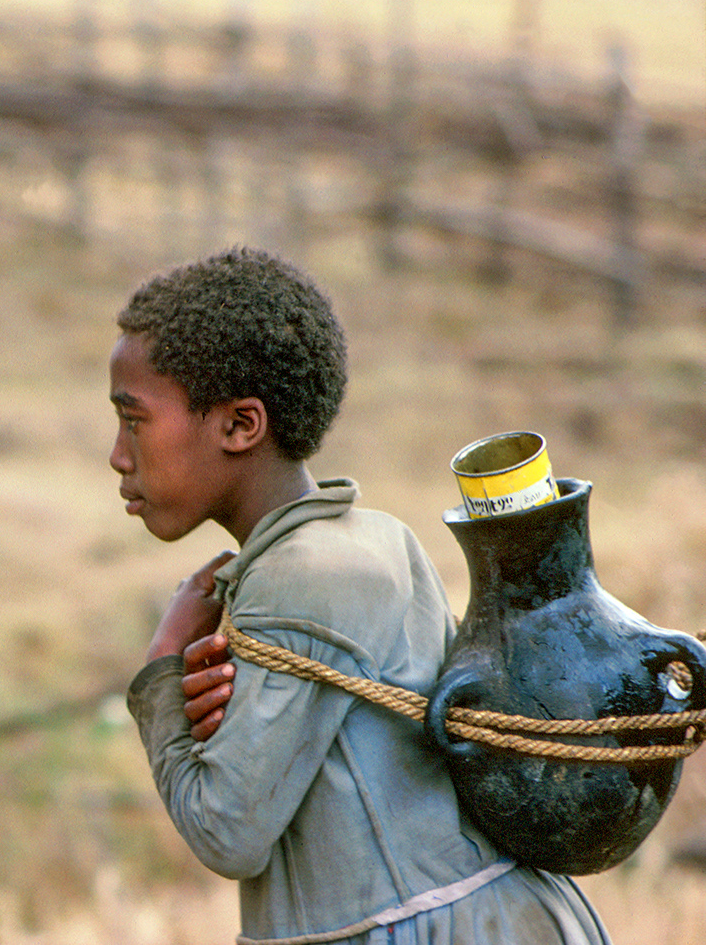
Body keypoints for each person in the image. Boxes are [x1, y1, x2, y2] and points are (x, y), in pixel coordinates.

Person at [112, 247, 610, 944]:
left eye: (133, 420)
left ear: (240, 425)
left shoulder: (307, 574)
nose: (118, 454)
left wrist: (164, 666)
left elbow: (226, 830)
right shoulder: (374, 538)